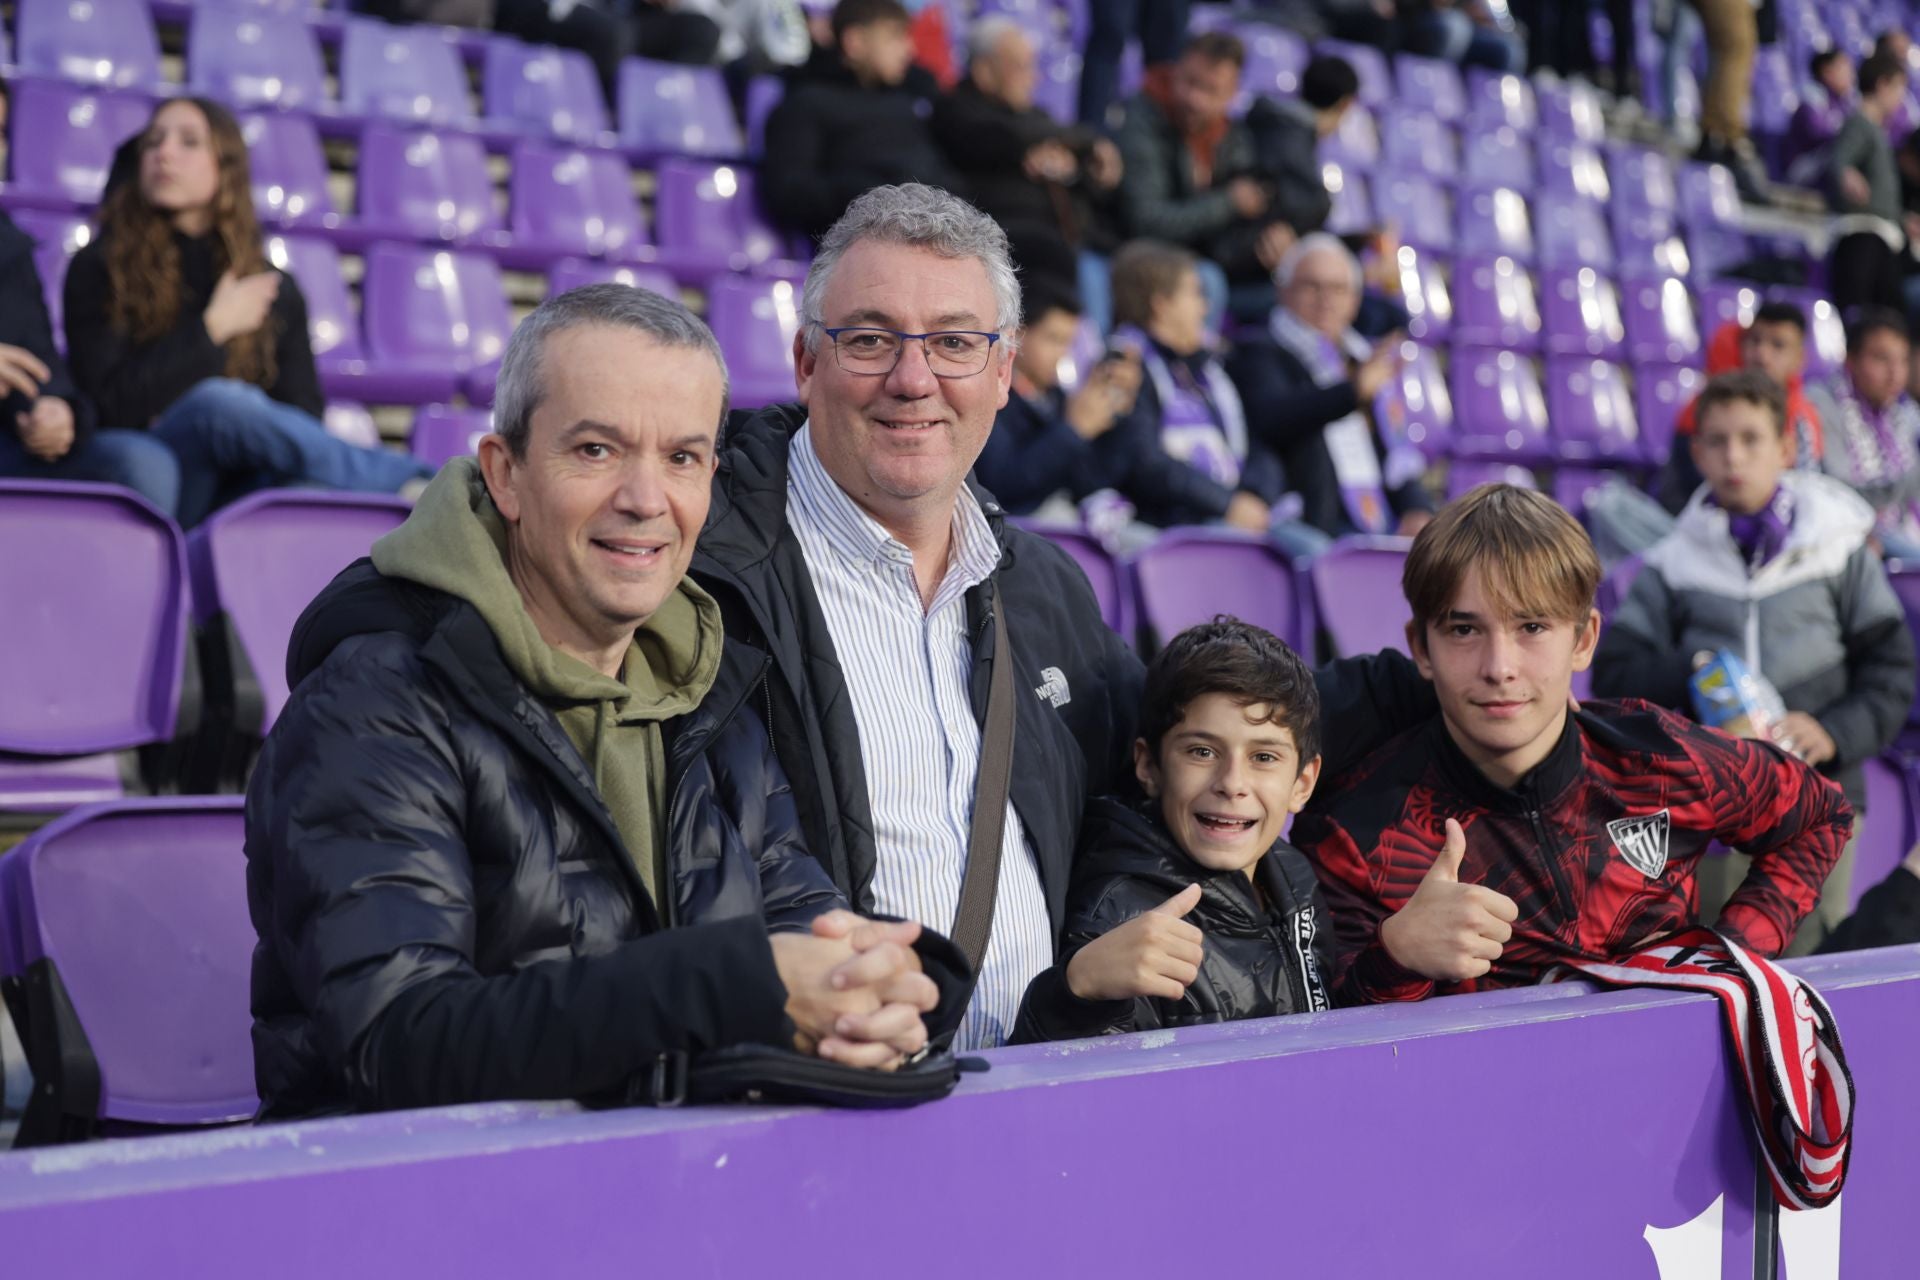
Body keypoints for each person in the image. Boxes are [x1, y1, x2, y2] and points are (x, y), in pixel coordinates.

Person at [246, 284, 960, 1119]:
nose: (645, 499)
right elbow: (399, 1041)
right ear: (505, 475)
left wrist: (881, 990)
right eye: (595, 451)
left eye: (682, 458)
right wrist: (730, 987)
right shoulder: (373, 704)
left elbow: (804, 924)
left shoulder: (714, 690)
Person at [690, 183, 1145, 1050]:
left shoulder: (1048, 588)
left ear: (1004, 371)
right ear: (804, 363)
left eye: (954, 343)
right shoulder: (700, 570)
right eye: (868, 340)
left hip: (1034, 1104)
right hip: (807, 1107)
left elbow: (1138, 797)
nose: (913, 379)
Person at [1293, 484, 1852, 1005]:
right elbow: (1328, 1044)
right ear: (1421, 647)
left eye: (1532, 627)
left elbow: (1820, 814)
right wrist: (1396, 959)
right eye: (1464, 630)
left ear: (1583, 640)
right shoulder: (1357, 834)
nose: (1499, 668)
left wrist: (1723, 963)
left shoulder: (1657, 756)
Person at [1593, 371, 1914, 954]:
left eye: (1751, 438)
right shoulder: (1673, 561)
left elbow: (1892, 675)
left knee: (1810, 970)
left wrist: (1833, 733)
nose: (1733, 456)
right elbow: (1615, 675)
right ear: (1696, 453)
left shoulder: (1837, 546)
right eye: (1716, 441)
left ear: (1786, 447)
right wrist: (1695, 668)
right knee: (1719, 967)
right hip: (1710, 818)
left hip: (1824, 804)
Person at [63, 98, 429, 529]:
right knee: (219, 402)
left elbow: (298, 418)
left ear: (226, 166)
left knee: (305, 494)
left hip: (239, 489)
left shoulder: (271, 287)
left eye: (189, 142)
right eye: (153, 142)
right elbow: (109, 405)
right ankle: (419, 484)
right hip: (158, 470)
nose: (164, 153)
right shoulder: (100, 267)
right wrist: (212, 330)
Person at [1010, 618, 1334, 1042]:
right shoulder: (1122, 914)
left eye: (1264, 757)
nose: (1232, 784)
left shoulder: (1295, 877)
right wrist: (1078, 993)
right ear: (1149, 766)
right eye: (1202, 751)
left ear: (1302, 783)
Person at [1226, 233, 1433, 540]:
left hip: (1378, 520)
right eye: (1312, 286)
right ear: (1282, 290)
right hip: (1309, 520)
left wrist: (1415, 507)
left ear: (1355, 299)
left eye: (1339, 289)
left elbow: (1396, 449)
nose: (1326, 300)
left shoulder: (1361, 355)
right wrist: (1351, 392)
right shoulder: (1260, 350)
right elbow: (1273, 418)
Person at [1585, 302, 1825, 563]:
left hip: (1780, 545)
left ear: (1800, 358)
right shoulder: (1705, 408)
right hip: (1695, 538)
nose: (1762, 355)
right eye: (1754, 342)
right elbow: (1685, 498)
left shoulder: (1804, 420)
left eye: (1778, 345)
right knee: (1610, 506)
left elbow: (1809, 497)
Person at [930, 18, 1125, 332]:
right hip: (1003, 237)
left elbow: (1060, 134)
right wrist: (1063, 143)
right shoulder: (955, 108)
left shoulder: (1035, 117)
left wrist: (1079, 161)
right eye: (1021, 66)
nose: (1033, 78)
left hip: (1074, 236)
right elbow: (1002, 136)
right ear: (983, 71)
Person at [1112, 32, 1294, 325]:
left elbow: (1257, 196)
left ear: (1233, 93)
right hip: (1138, 253)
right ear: (1176, 71)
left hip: (1210, 258)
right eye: (1190, 82)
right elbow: (1147, 221)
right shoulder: (1143, 119)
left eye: (1211, 90)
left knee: (1296, 287)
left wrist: (1277, 235)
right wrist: (1229, 203)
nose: (1195, 99)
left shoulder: (1232, 137)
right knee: (1206, 282)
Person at [759, 0, 961, 243]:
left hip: (932, 233)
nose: (909, 50)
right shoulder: (805, 103)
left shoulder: (904, 102)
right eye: (894, 37)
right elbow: (789, 193)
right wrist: (878, 193)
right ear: (855, 42)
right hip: (859, 246)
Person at [971, 274, 1142, 516]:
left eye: (1068, 342)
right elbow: (1003, 485)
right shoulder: (990, 395)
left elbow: (1091, 483)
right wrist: (1073, 430)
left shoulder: (1056, 397)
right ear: (1015, 336)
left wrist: (1120, 415)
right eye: (1054, 339)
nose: (1062, 353)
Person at [1810, 307, 1920, 560]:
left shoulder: (1902, 412)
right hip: (1851, 528)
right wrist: (1900, 486)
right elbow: (1838, 490)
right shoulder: (1822, 403)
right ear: (1851, 361)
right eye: (1882, 358)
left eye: (1903, 360)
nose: (1895, 373)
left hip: (1899, 529)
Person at [1826, 51, 1918, 319]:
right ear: (1882, 84)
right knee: (1861, 313)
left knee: (1887, 314)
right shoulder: (1859, 123)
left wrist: (1903, 219)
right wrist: (1845, 173)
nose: (1902, 97)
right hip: (1862, 234)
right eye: (1899, 87)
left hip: (1882, 235)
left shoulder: (1877, 130)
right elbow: (1840, 157)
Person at [1784, 49, 1855, 183]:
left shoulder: (1846, 102)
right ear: (1826, 71)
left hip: (1823, 163)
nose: (1850, 74)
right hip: (1802, 166)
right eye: (1844, 68)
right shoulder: (1811, 95)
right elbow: (1815, 132)